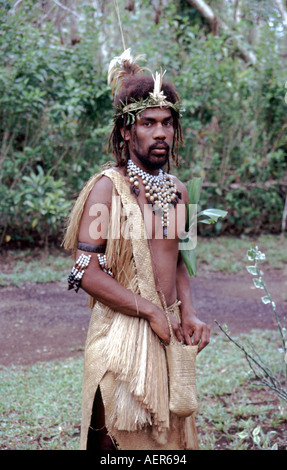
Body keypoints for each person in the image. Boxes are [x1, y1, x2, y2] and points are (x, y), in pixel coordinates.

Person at [63, 50, 210, 451]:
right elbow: (86, 273)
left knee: (171, 443)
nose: (159, 133)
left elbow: (182, 261)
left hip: (169, 334)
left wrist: (190, 313)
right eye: (148, 123)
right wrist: (149, 311)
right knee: (118, 443)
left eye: (167, 123)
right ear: (127, 132)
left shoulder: (182, 191)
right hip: (121, 337)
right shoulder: (105, 189)